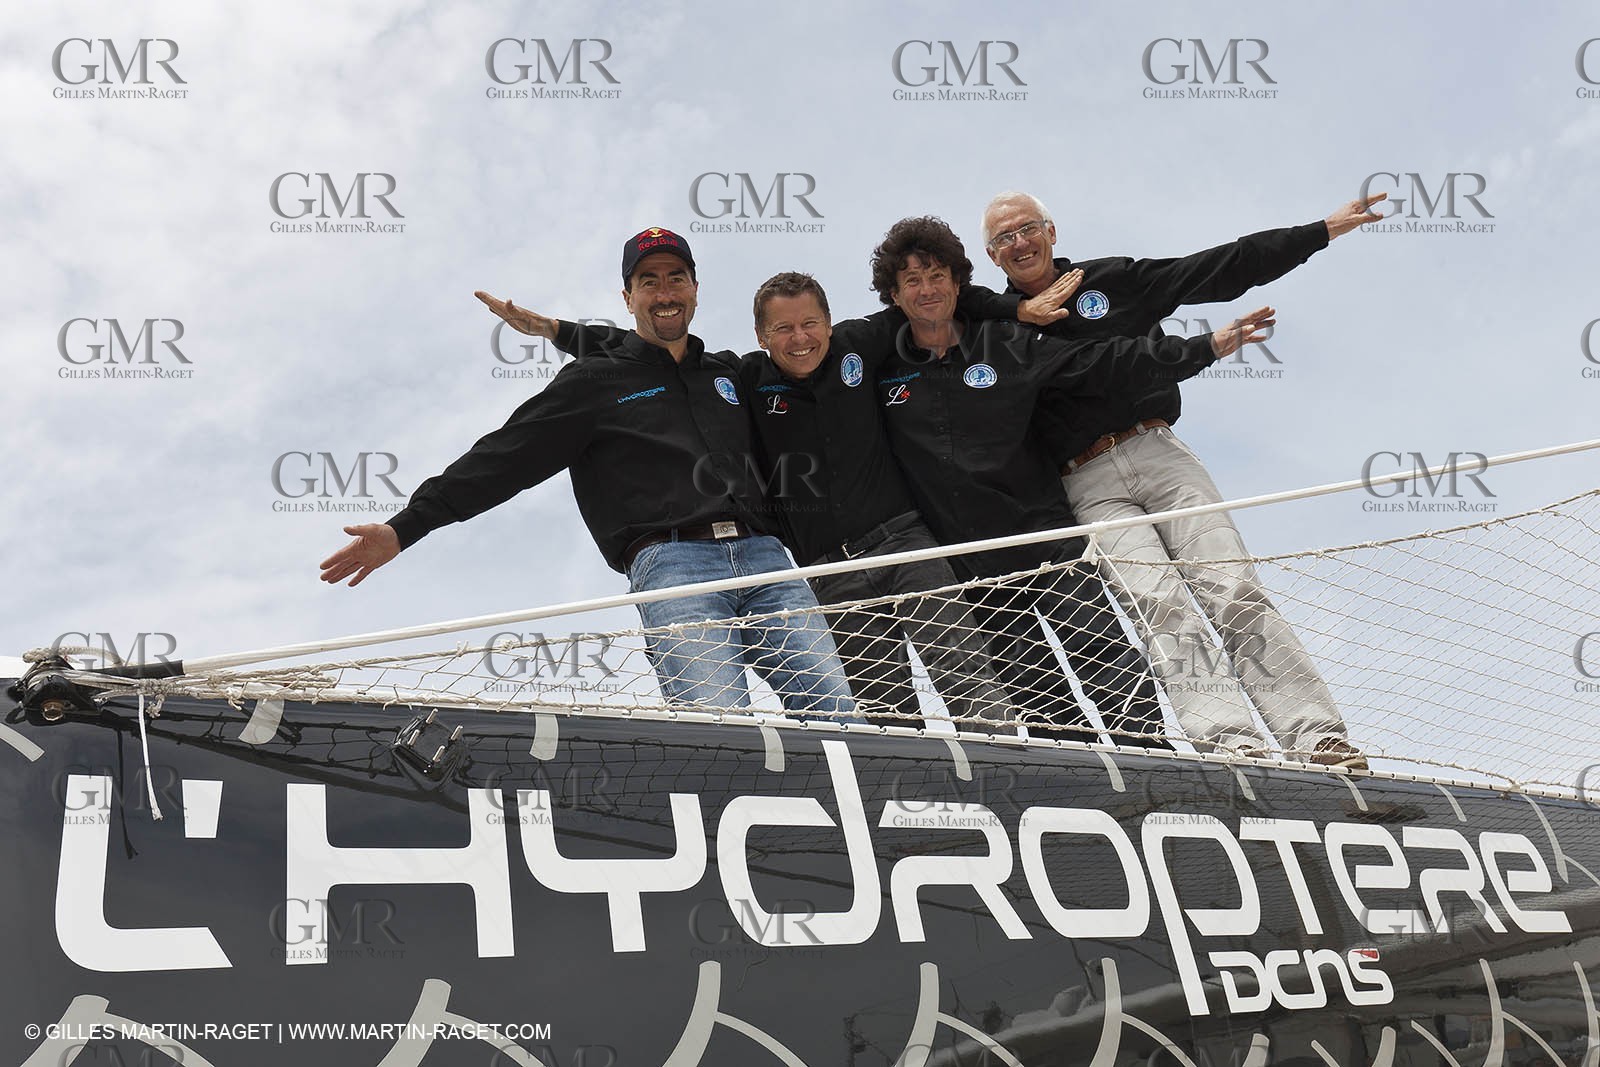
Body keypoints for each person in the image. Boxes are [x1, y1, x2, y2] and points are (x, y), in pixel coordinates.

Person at [318, 227, 857, 722]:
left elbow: (807, 370)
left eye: (677, 278)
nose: (665, 292)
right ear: (628, 298)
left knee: (844, 721)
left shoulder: (731, 372)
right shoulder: (595, 381)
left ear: (696, 289)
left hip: (769, 563)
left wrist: (557, 328)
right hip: (676, 568)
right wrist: (404, 527)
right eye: (649, 282)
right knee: (722, 729)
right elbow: (504, 456)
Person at [977, 190, 1383, 767]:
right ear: (993, 258)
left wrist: (1320, 231)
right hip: (1086, 482)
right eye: (1003, 239)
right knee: (1159, 605)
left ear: (1052, 231)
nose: (1019, 243)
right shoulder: (999, 330)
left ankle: (1316, 735)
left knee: (1233, 587)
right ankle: (1229, 743)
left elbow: (1218, 266)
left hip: (1159, 452)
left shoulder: (1113, 278)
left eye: (1027, 229)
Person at [868, 216, 1272, 747]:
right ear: (893, 295)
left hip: (1050, 538)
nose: (927, 290)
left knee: (1115, 672)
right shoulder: (878, 359)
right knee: (1042, 702)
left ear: (958, 282)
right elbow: (808, 355)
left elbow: (1100, 362)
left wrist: (1199, 349)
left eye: (937, 275)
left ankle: (1163, 764)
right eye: (912, 281)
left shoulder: (1006, 342)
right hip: (977, 562)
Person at [740, 271, 1012, 726]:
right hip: (833, 575)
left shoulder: (859, 342)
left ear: (829, 322)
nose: (800, 338)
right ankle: (915, 798)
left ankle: (1012, 778)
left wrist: (1017, 309)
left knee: (967, 678)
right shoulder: (747, 377)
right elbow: (675, 363)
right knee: (886, 717)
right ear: (761, 337)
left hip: (906, 544)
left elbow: (932, 303)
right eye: (783, 329)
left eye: (809, 323)